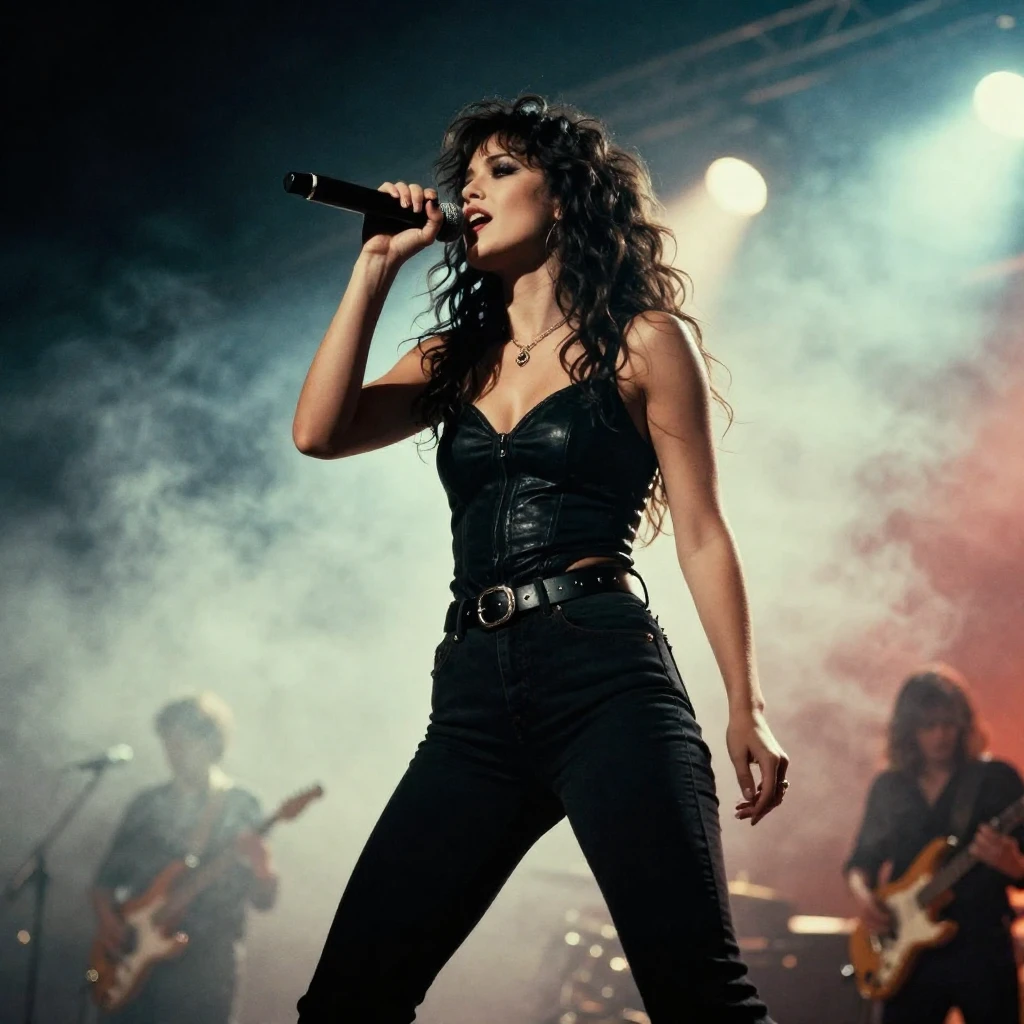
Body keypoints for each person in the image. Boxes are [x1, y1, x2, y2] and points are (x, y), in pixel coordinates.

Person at [291, 94, 788, 1023]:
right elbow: (318, 433)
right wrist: (374, 265)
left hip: (606, 676)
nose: (470, 192)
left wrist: (745, 702)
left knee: (700, 998)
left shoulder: (645, 341)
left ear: (563, 196)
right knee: (347, 1002)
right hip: (474, 697)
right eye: (465, 178)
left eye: (501, 170)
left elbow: (702, 530)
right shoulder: (452, 358)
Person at [845, 665, 1024, 1023]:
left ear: (964, 725)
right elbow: (861, 861)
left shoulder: (996, 780)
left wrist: (1013, 865)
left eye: (948, 724)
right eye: (928, 725)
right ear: (908, 730)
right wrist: (865, 901)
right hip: (907, 954)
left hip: (982, 946)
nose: (941, 735)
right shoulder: (890, 787)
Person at [90, 693, 279, 1024]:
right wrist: (111, 925)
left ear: (210, 742)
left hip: (203, 972)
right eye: (168, 742)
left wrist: (262, 866)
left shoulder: (241, 805)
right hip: (131, 962)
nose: (173, 751)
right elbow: (104, 883)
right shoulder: (147, 804)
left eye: (183, 741)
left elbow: (264, 900)